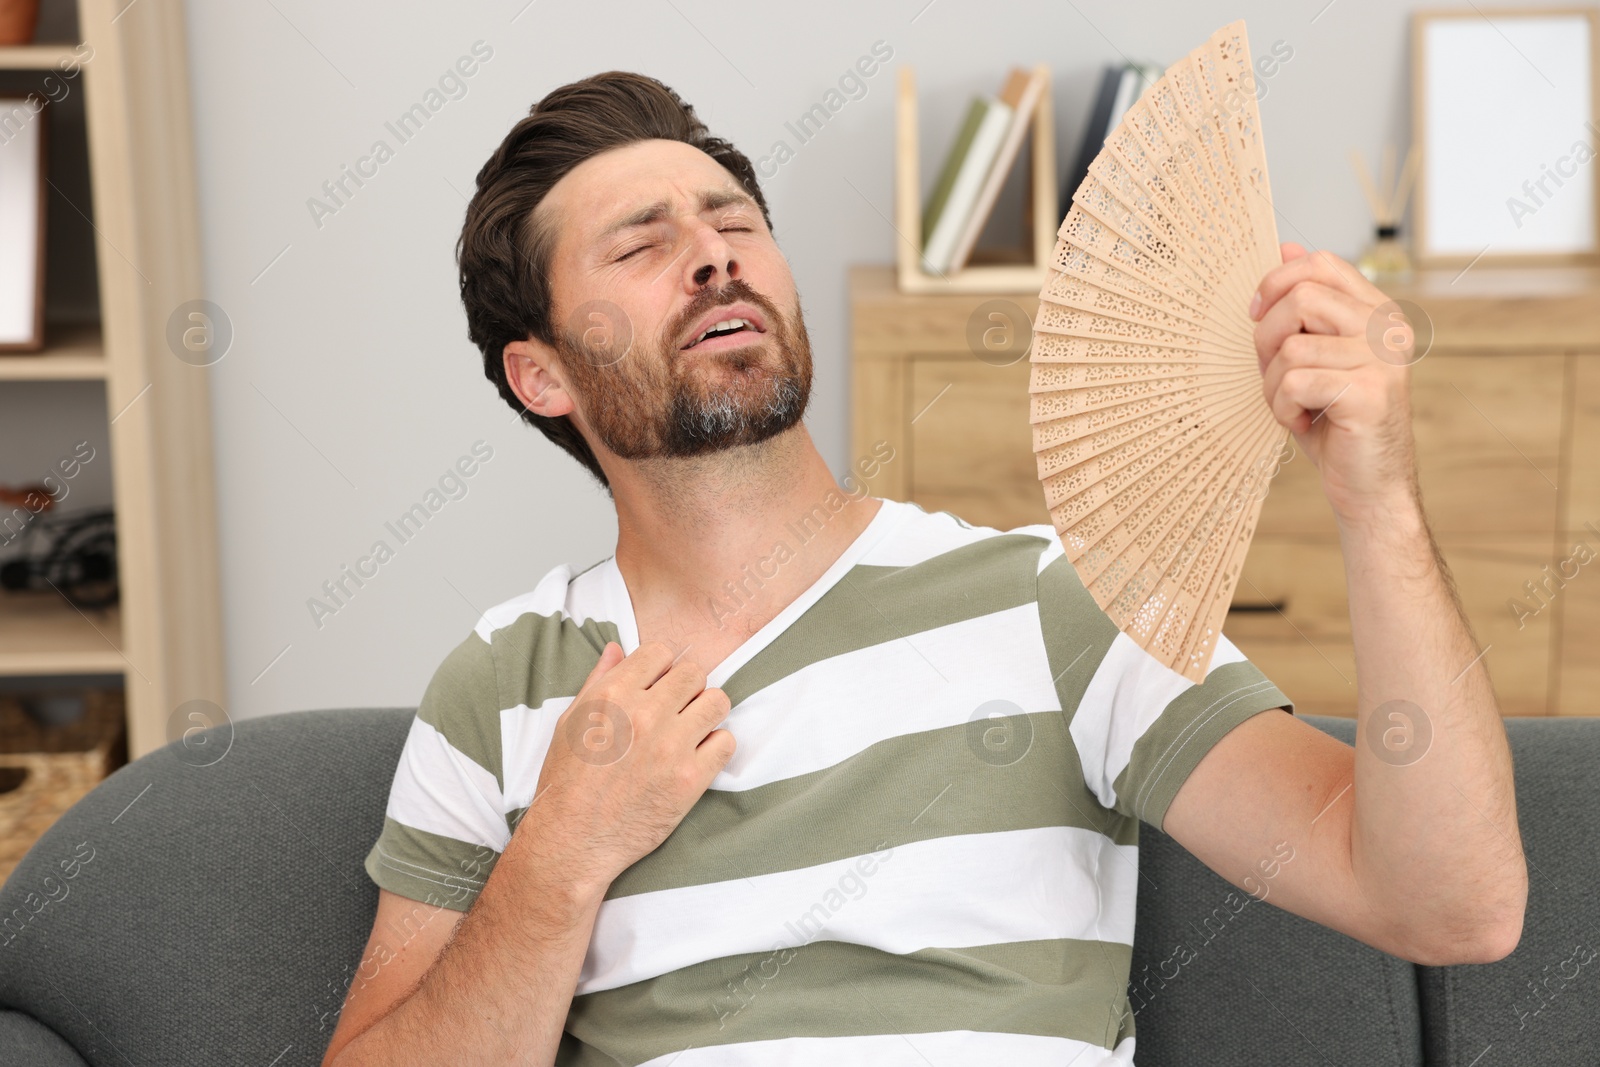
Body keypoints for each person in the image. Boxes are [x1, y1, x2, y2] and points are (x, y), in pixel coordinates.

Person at [320, 71, 1526, 1067]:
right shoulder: (502, 685)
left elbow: (1452, 905)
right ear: (542, 376)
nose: (712, 257)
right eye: (643, 246)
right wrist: (560, 859)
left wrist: (1375, 496)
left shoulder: (1055, 596)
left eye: (735, 224)